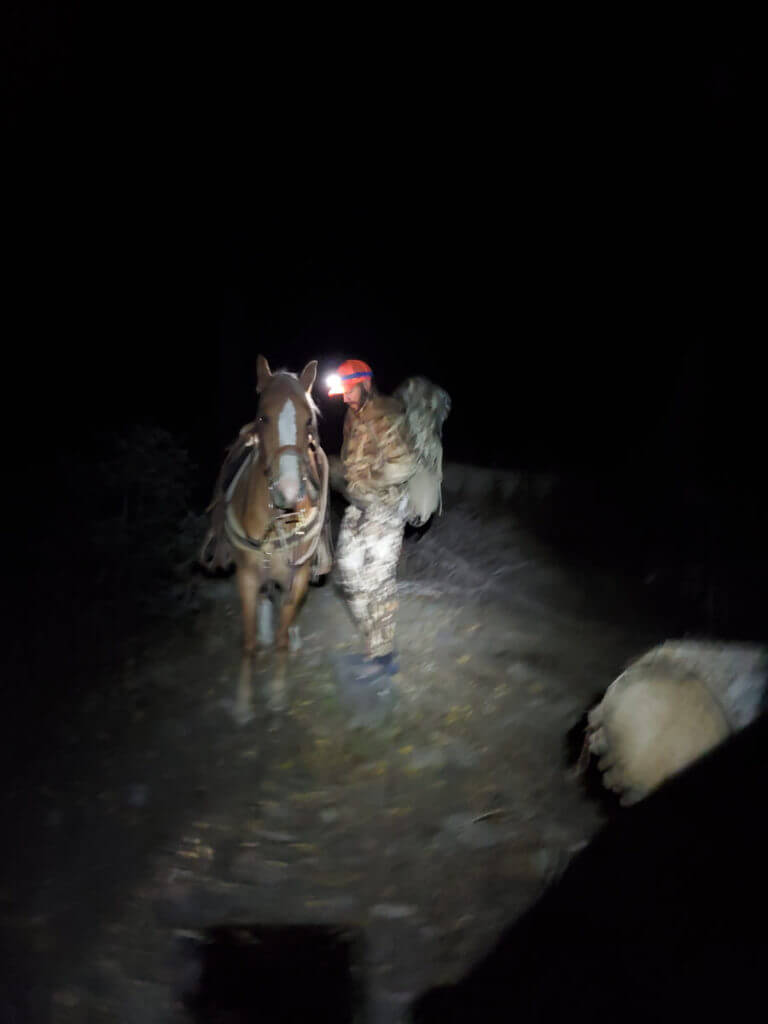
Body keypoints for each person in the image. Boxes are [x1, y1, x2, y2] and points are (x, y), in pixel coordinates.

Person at [327, 358, 419, 696]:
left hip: (386, 507)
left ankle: (382, 657)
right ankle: (373, 644)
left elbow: (405, 464)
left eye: (348, 391)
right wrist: (329, 465)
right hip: (360, 505)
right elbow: (352, 464)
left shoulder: (385, 415)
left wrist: (371, 482)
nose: (344, 398)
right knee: (349, 574)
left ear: (365, 383)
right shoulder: (353, 417)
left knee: (377, 582)